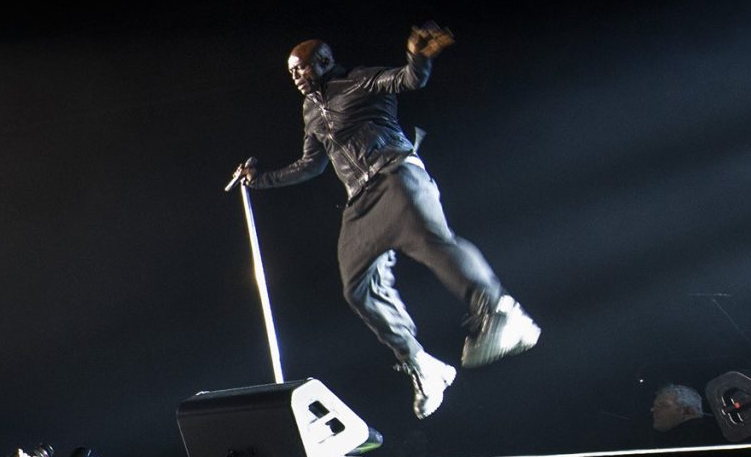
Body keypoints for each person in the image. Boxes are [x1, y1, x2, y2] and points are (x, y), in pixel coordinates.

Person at [230, 25, 539, 418]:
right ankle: (422, 364)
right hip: (360, 201)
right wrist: (261, 179)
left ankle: (500, 312)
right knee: (357, 288)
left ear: (324, 61)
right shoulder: (310, 111)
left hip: (395, 174)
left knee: (431, 241)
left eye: (300, 68)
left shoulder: (358, 81)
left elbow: (408, 79)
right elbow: (310, 165)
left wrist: (418, 58)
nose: (295, 77)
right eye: (291, 72)